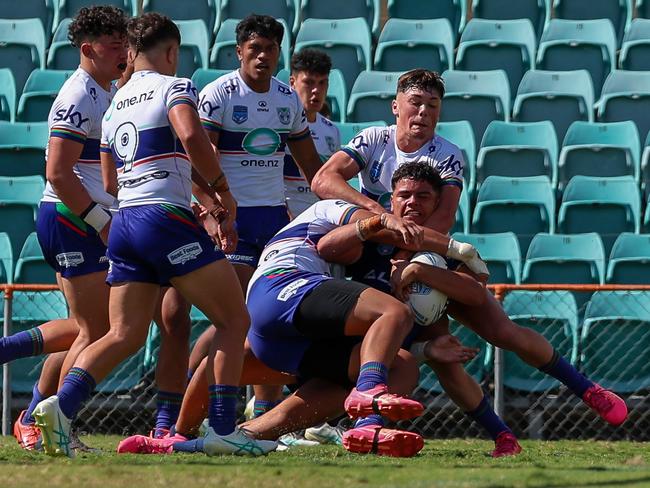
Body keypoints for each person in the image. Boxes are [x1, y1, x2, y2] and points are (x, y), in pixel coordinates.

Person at [312, 69, 628, 452]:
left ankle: (589, 390)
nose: (423, 112)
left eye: (433, 106)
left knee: (502, 332)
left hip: (426, 251)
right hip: (370, 253)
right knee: (433, 352)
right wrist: (378, 214)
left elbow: (442, 221)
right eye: (416, 103)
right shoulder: (374, 140)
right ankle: (497, 436)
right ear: (396, 107)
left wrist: (406, 261)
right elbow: (323, 181)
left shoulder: (446, 154)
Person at [32, 12, 276, 458]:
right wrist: (220, 190)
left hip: (124, 220)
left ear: (130, 52)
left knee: (123, 335)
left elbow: (108, 182)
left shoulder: (115, 101)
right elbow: (190, 135)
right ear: (171, 52)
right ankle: (223, 428)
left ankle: (59, 407)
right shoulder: (175, 86)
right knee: (234, 320)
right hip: (163, 218)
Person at [115, 168, 485, 457]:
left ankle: (184, 439)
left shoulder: (386, 261)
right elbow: (337, 243)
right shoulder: (336, 211)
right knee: (392, 314)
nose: (410, 205)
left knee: (402, 363)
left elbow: (380, 335)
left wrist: (425, 348)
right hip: (283, 284)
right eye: (403, 197)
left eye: (422, 198)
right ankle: (366, 408)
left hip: (288, 335)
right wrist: (450, 246)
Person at [8, 5, 129, 452]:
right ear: (87, 49)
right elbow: (57, 173)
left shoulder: (106, 88)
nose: (122, 52)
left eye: (124, 42)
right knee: (97, 330)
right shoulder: (78, 95)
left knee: (84, 327)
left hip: (78, 219)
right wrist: (99, 222)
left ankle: (32, 416)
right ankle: (55, 426)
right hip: (72, 219)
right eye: (113, 44)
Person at [283, 48, 340, 217]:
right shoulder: (280, 125)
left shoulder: (332, 130)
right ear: (292, 83)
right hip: (284, 215)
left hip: (319, 217)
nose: (316, 90)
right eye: (309, 82)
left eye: (322, 83)